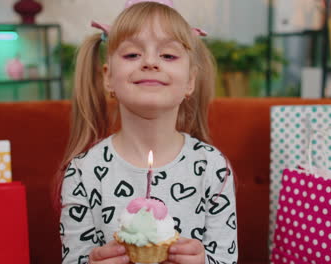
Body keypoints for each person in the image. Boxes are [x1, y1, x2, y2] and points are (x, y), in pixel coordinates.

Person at [58, 1, 238, 263]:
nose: (151, 62)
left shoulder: (213, 168)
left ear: (190, 81)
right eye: (132, 55)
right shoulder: (82, 173)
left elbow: (226, 258)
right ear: (108, 78)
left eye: (168, 55)